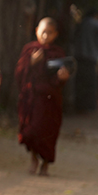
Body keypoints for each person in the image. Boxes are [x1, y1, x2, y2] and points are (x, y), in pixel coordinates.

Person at [16, 17, 70, 176]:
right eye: (43, 32)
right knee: (32, 130)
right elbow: (19, 73)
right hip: (32, 98)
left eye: (50, 33)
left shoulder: (58, 53)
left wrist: (62, 77)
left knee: (48, 132)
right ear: (36, 31)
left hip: (49, 99)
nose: (46, 36)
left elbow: (60, 78)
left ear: (56, 35)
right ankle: (34, 158)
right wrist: (31, 62)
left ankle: (45, 163)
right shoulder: (29, 50)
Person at [72, 8, 98, 113]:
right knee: (90, 82)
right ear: (96, 15)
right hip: (90, 57)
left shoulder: (81, 23)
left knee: (80, 82)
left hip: (78, 56)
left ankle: (79, 106)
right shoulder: (96, 23)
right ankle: (89, 106)